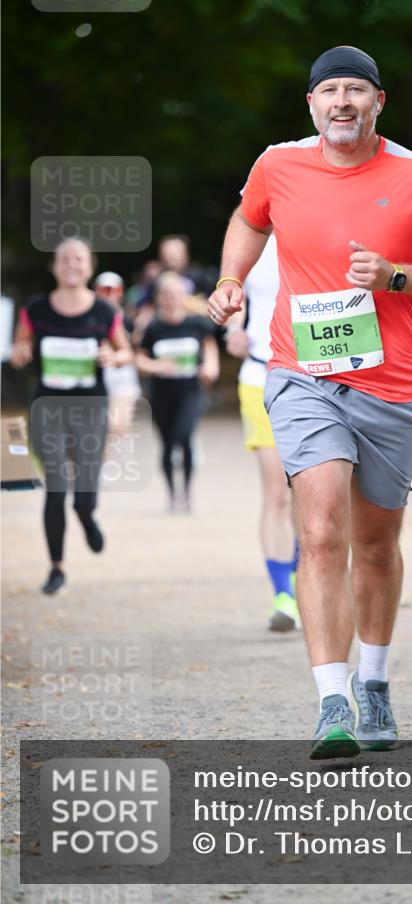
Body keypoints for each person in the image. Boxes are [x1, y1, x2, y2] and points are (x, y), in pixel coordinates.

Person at [207, 45, 412, 759]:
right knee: (321, 529)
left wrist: (394, 278)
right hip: (303, 376)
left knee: (376, 545)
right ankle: (332, 702)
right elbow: (249, 220)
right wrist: (232, 279)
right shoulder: (278, 165)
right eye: (330, 91)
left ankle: (374, 681)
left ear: (378, 102)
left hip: (391, 385)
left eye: (356, 90)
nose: (342, 102)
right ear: (312, 105)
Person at [9, 238, 133, 595]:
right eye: (64, 259)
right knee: (56, 485)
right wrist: (19, 353)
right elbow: (20, 347)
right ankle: (56, 568)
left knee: (84, 494)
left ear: (89, 267)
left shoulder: (104, 311)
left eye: (78, 259)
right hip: (47, 406)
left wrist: (113, 357)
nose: (71, 264)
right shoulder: (36, 309)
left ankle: (86, 515)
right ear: (54, 267)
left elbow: (126, 352)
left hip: (90, 407)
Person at [224, 234, 300, 632]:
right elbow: (233, 297)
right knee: (277, 493)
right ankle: (284, 595)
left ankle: (309, 583)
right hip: (260, 377)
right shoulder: (250, 235)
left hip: (315, 379)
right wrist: (232, 332)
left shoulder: (320, 225)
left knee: (311, 493)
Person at [136, 272, 219, 512]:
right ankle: (173, 494)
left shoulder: (197, 324)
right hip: (161, 392)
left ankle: (188, 491)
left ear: (184, 296)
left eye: (176, 293)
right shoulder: (153, 328)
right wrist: (156, 366)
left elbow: (210, 348)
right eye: (167, 293)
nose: (172, 298)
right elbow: (139, 358)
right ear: (159, 298)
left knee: (184, 435)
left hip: (190, 390)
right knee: (168, 443)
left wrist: (210, 366)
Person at [93, 272, 142, 461]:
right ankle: (100, 464)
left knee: (118, 426)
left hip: (122, 376)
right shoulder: (89, 317)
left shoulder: (128, 320)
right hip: (97, 375)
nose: (110, 294)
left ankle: (104, 460)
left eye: (115, 290)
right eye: (105, 290)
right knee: (99, 426)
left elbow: (135, 349)